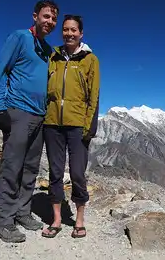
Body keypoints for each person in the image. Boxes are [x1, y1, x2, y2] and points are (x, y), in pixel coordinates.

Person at [0, 0, 59, 243]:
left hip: (40, 115)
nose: (50, 22)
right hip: (18, 110)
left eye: (53, 18)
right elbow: (1, 70)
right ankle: (3, 221)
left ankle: (23, 212)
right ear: (35, 16)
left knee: (30, 168)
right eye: (46, 16)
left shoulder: (48, 50)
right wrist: (0, 108)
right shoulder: (19, 37)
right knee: (12, 165)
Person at [41, 15, 100, 238]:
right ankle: (56, 219)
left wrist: (89, 126)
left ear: (81, 33)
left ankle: (79, 219)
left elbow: (94, 95)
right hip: (53, 123)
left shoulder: (90, 60)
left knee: (77, 173)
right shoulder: (53, 57)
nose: (69, 33)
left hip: (77, 125)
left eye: (73, 30)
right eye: (65, 30)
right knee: (55, 172)